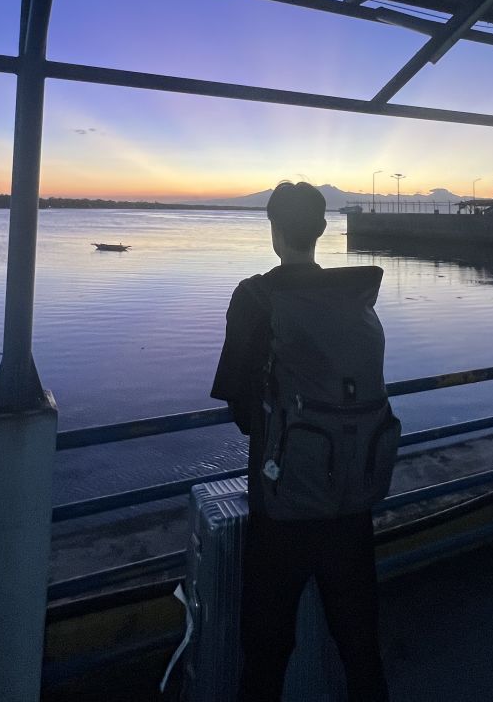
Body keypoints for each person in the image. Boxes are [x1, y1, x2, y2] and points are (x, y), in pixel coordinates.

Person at [212, 181, 392, 702]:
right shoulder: (351, 294)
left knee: (265, 656)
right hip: (351, 497)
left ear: (274, 231)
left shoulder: (254, 297)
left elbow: (241, 412)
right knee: (360, 648)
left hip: (281, 504)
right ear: (320, 230)